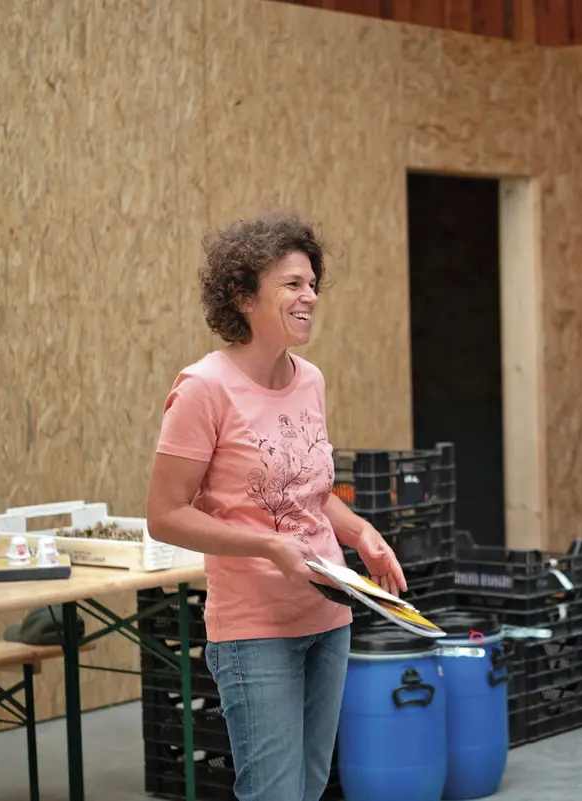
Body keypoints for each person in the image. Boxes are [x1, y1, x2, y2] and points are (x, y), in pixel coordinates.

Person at [144, 211, 408, 801]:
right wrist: (265, 545)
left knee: (310, 789)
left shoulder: (310, 379)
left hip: (328, 616)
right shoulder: (203, 389)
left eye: (312, 283)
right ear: (242, 296)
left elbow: (308, 498)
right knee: (273, 794)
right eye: (292, 284)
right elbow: (164, 514)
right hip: (253, 629)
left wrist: (361, 533)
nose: (309, 295)